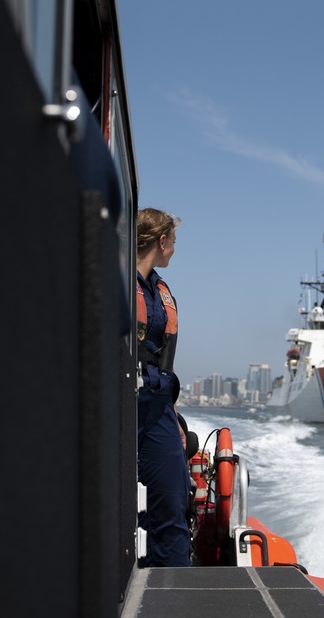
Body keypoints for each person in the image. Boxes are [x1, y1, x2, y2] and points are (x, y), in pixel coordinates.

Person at [135, 208, 192, 567]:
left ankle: (173, 589)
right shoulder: (113, 282)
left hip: (156, 405)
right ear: (161, 241)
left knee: (174, 495)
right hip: (118, 400)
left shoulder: (159, 292)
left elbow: (163, 360)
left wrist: (173, 415)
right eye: (173, 241)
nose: (174, 249)